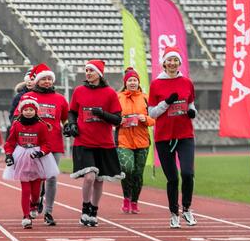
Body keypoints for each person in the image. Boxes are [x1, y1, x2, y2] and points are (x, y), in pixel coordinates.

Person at [63, 60, 124, 227]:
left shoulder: (110, 93)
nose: (88, 73)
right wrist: (72, 124)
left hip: (104, 142)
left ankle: (94, 211)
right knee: (89, 177)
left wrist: (103, 114)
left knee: (99, 179)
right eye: (86, 70)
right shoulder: (79, 91)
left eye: (91, 70)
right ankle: (85, 208)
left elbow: (118, 119)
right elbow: (72, 112)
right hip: (84, 140)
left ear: (100, 73)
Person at [11, 64, 68, 226]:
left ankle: (49, 212)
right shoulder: (28, 96)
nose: (47, 82)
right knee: (34, 177)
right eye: (44, 79)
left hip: (54, 143)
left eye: (50, 79)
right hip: (31, 145)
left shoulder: (60, 98)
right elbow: (17, 117)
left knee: (51, 177)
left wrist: (69, 125)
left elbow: (65, 118)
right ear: (37, 80)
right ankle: (34, 202)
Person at [149, 51, 198, 228]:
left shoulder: (187, 82)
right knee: (172, 178)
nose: (172, 63)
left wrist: (193, 112)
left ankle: (187, 208)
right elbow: (152, 113)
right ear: (164, 63)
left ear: (179, 63)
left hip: (185, 135)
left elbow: (191, 103)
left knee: (187, 173)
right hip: (163, 137)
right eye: (169, 60)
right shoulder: (156, 84)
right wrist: (167, 102)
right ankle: (173, 213)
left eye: (175, 60)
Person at [3, 98, 59, 229]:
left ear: (36, 111)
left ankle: (34, 203)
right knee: (25, 189)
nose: (28, 112)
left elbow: (46, 143)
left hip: (38, 158)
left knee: (35, 192)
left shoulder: (41, 125)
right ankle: (26, 216)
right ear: (21, 111)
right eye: (26, 110)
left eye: (31, 110)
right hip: (22, 157)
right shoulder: (16, 125)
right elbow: (10, 143)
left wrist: (42, 152)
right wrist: (9, 155)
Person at [116, 67, 155, 214]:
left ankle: (134, 201)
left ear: (138, 82)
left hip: (142, 141)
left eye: (135, 80)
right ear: (125, 83)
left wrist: (145, 119)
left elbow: (154, 119)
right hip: (124, 140)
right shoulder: (118, 97)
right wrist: (120, 121)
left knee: (138, 173)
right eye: (130, 80)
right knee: (127, 169)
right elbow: (112, 118)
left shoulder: (146, 98)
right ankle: (126, 198)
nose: (132, 82)